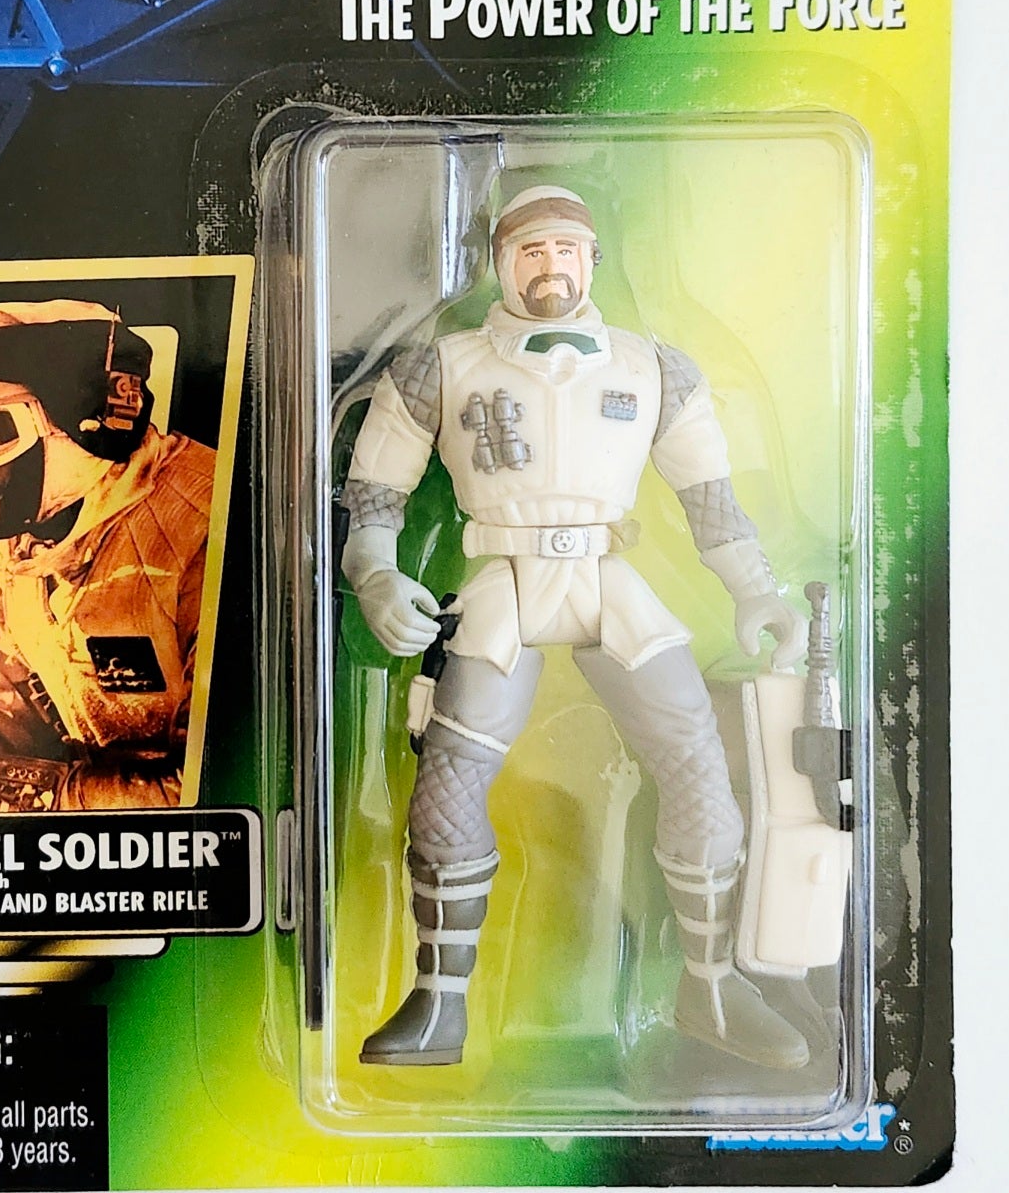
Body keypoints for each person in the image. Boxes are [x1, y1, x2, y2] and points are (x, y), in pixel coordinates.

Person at [339, 185, 811, 1069]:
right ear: (497, 263)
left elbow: (712, 503)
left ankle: (710, 985)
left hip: (607, 575)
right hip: (503, 578)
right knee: (450, 774)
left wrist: (756, 591)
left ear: (592, 259)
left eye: (564, 249)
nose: (549, 266)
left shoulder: (653, 367)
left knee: (696, 757)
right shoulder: (438, 365)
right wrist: (375, 575)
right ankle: (438, 1000)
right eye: (530, 251)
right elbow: (375, 496)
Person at [0, 296, 213, 814]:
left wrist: (9, 790)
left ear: (80, 427)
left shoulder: (205, 530)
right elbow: (8, 705)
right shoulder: (25, 550)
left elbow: (212, 787)